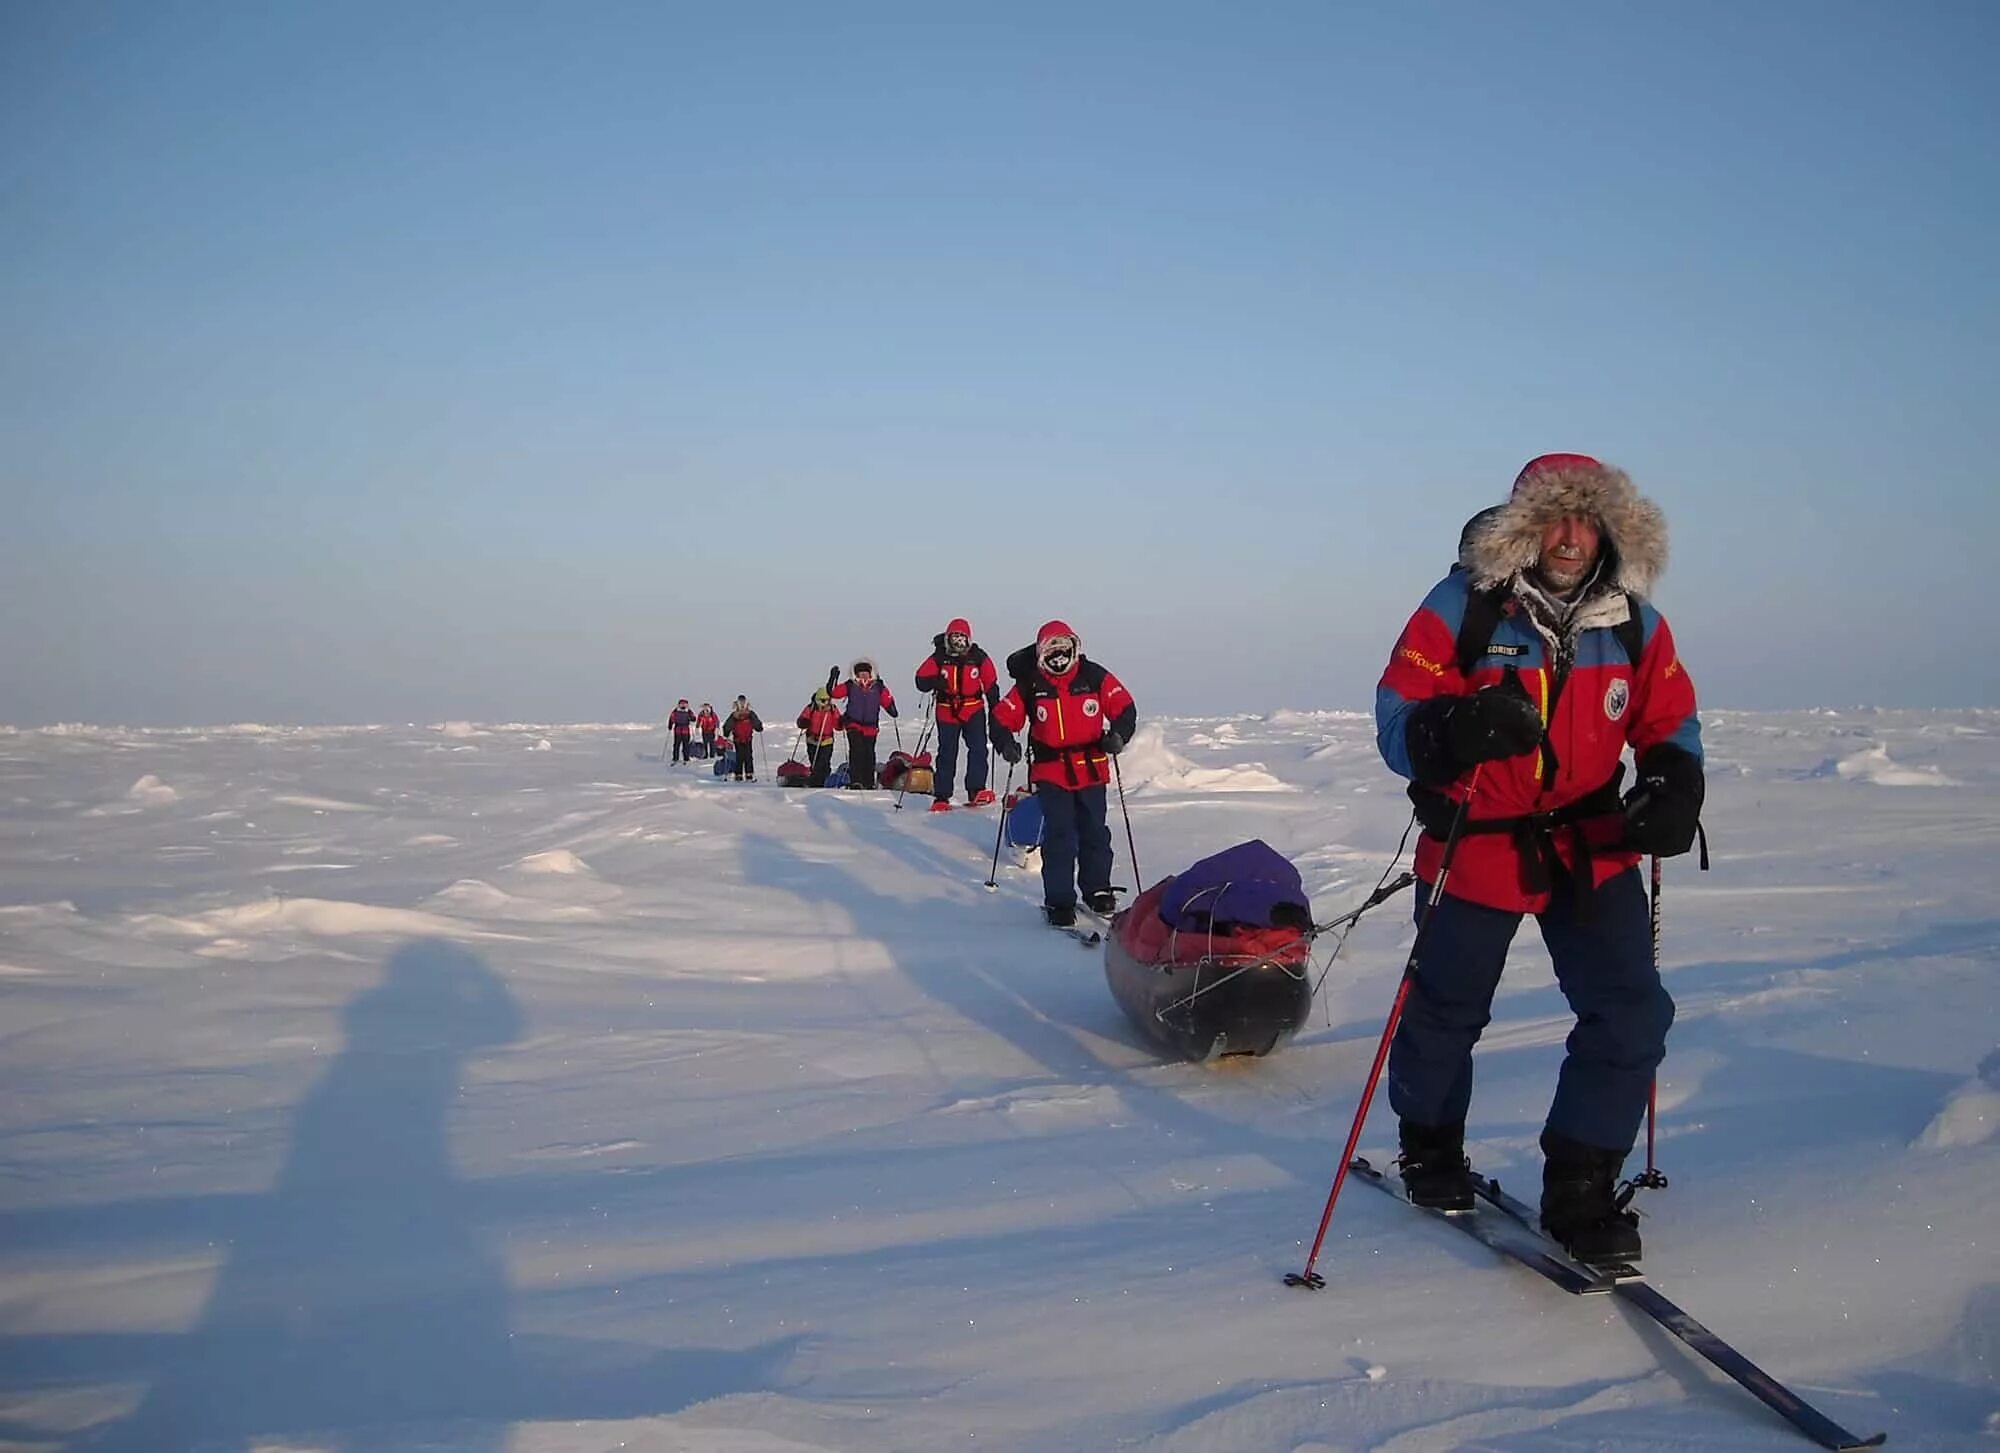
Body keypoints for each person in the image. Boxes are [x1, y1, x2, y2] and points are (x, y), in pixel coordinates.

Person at [1374, 453, 1703, 1263]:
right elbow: (1396, 716)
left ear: (1608, 529)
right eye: (1553, 517)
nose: (1568, 536)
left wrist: (1673, 781)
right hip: (1476, 839)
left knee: (1631, 1013)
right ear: (1525, 526)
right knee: (1446, 1011)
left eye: (1585, 518)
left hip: (1592, 844)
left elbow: (1669, 720)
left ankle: (1582, 1186)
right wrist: (1453, 731)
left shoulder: (1636, 622)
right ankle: (1430, 1146)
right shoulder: (1463, 606)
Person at [989, 620, 1136, 928]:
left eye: (1063, 648)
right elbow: (1002, 717)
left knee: (1095, 832)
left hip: (1092, 770)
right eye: (1051, 649)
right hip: (1051, 772)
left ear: (1074, 648)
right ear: (1042, 652)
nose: (1058, 655)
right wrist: (1005, 743)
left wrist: (1119, 735)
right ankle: (1059, 900)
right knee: (1060, 836)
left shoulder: (1094, 676)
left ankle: (1096, 889)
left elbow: (1124, 707)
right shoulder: (1030, 685)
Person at [913, 618, 1001, 812]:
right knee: (947, 753)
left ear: (968, 638)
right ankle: (942, 796)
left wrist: (995, 708)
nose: (959, 642)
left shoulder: (978, 657)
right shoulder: (939, 657)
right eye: (955, 637)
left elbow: (991, 682)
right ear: (948, 638)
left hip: (974, 709)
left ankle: (976, 790)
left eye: (962, 637)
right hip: (946, 711)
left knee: (979, 749)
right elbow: (920, 679)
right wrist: (935, 681)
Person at [831, 659, 898, 789]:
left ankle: (868, 782)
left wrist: (891, 708)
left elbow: (887, 699)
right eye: (860, 674)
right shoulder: (850, 685)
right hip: (853, 724)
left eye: (865, 674)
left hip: (871, 727)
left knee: (869, 753)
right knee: (856, 751)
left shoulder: (878, 687)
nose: (863, 676)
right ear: (856, 674)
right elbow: (835, 693)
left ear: (870, 674)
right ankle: (856, 781)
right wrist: (833, 679)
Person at [796, 688, 842, 788]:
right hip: (812, 740)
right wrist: (803, 722)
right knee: (815, 762)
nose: (825, 703)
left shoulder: (832, 709)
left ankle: (823, 781)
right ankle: (816, 782)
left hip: (827, 740)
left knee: (824, 762)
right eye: (822, 700)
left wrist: (842, 723)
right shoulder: (810, 708)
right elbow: (801, 720)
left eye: (827, 700)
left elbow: (838, 726)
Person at [722, 696, 764, 781]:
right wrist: (726, 731)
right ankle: (738, 775)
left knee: (748, 756)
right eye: (740, 703)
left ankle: (749, 774)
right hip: (738, 739)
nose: (742, 705)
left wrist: (759, 726)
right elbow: (727, 725)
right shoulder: (734, 715)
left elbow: (756, 723)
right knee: (739, 757)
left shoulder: (750, 714)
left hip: (748, 738)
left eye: (743, 703)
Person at [667, 699, 696, 763]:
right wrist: (670, 725)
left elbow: (694, 718)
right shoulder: (675, 711)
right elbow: (671, 718)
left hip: (686, 730)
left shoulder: (688, 711)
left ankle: (686, 758)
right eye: (682, 704)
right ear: (679, 704)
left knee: (686, 745)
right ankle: (675, 758)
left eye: (684, 704)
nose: (683, 705)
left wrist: (692, 718)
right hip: (678, 730)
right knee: (676, 745)